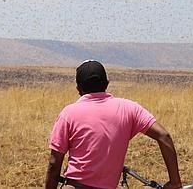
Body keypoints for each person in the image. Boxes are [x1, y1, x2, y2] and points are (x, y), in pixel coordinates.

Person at [45, 60, 182, 189]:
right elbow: (164, 136)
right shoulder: (129, 109)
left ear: (78, 88)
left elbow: (54, 164)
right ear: (107, 83)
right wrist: (175, 182)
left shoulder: (68, 114)